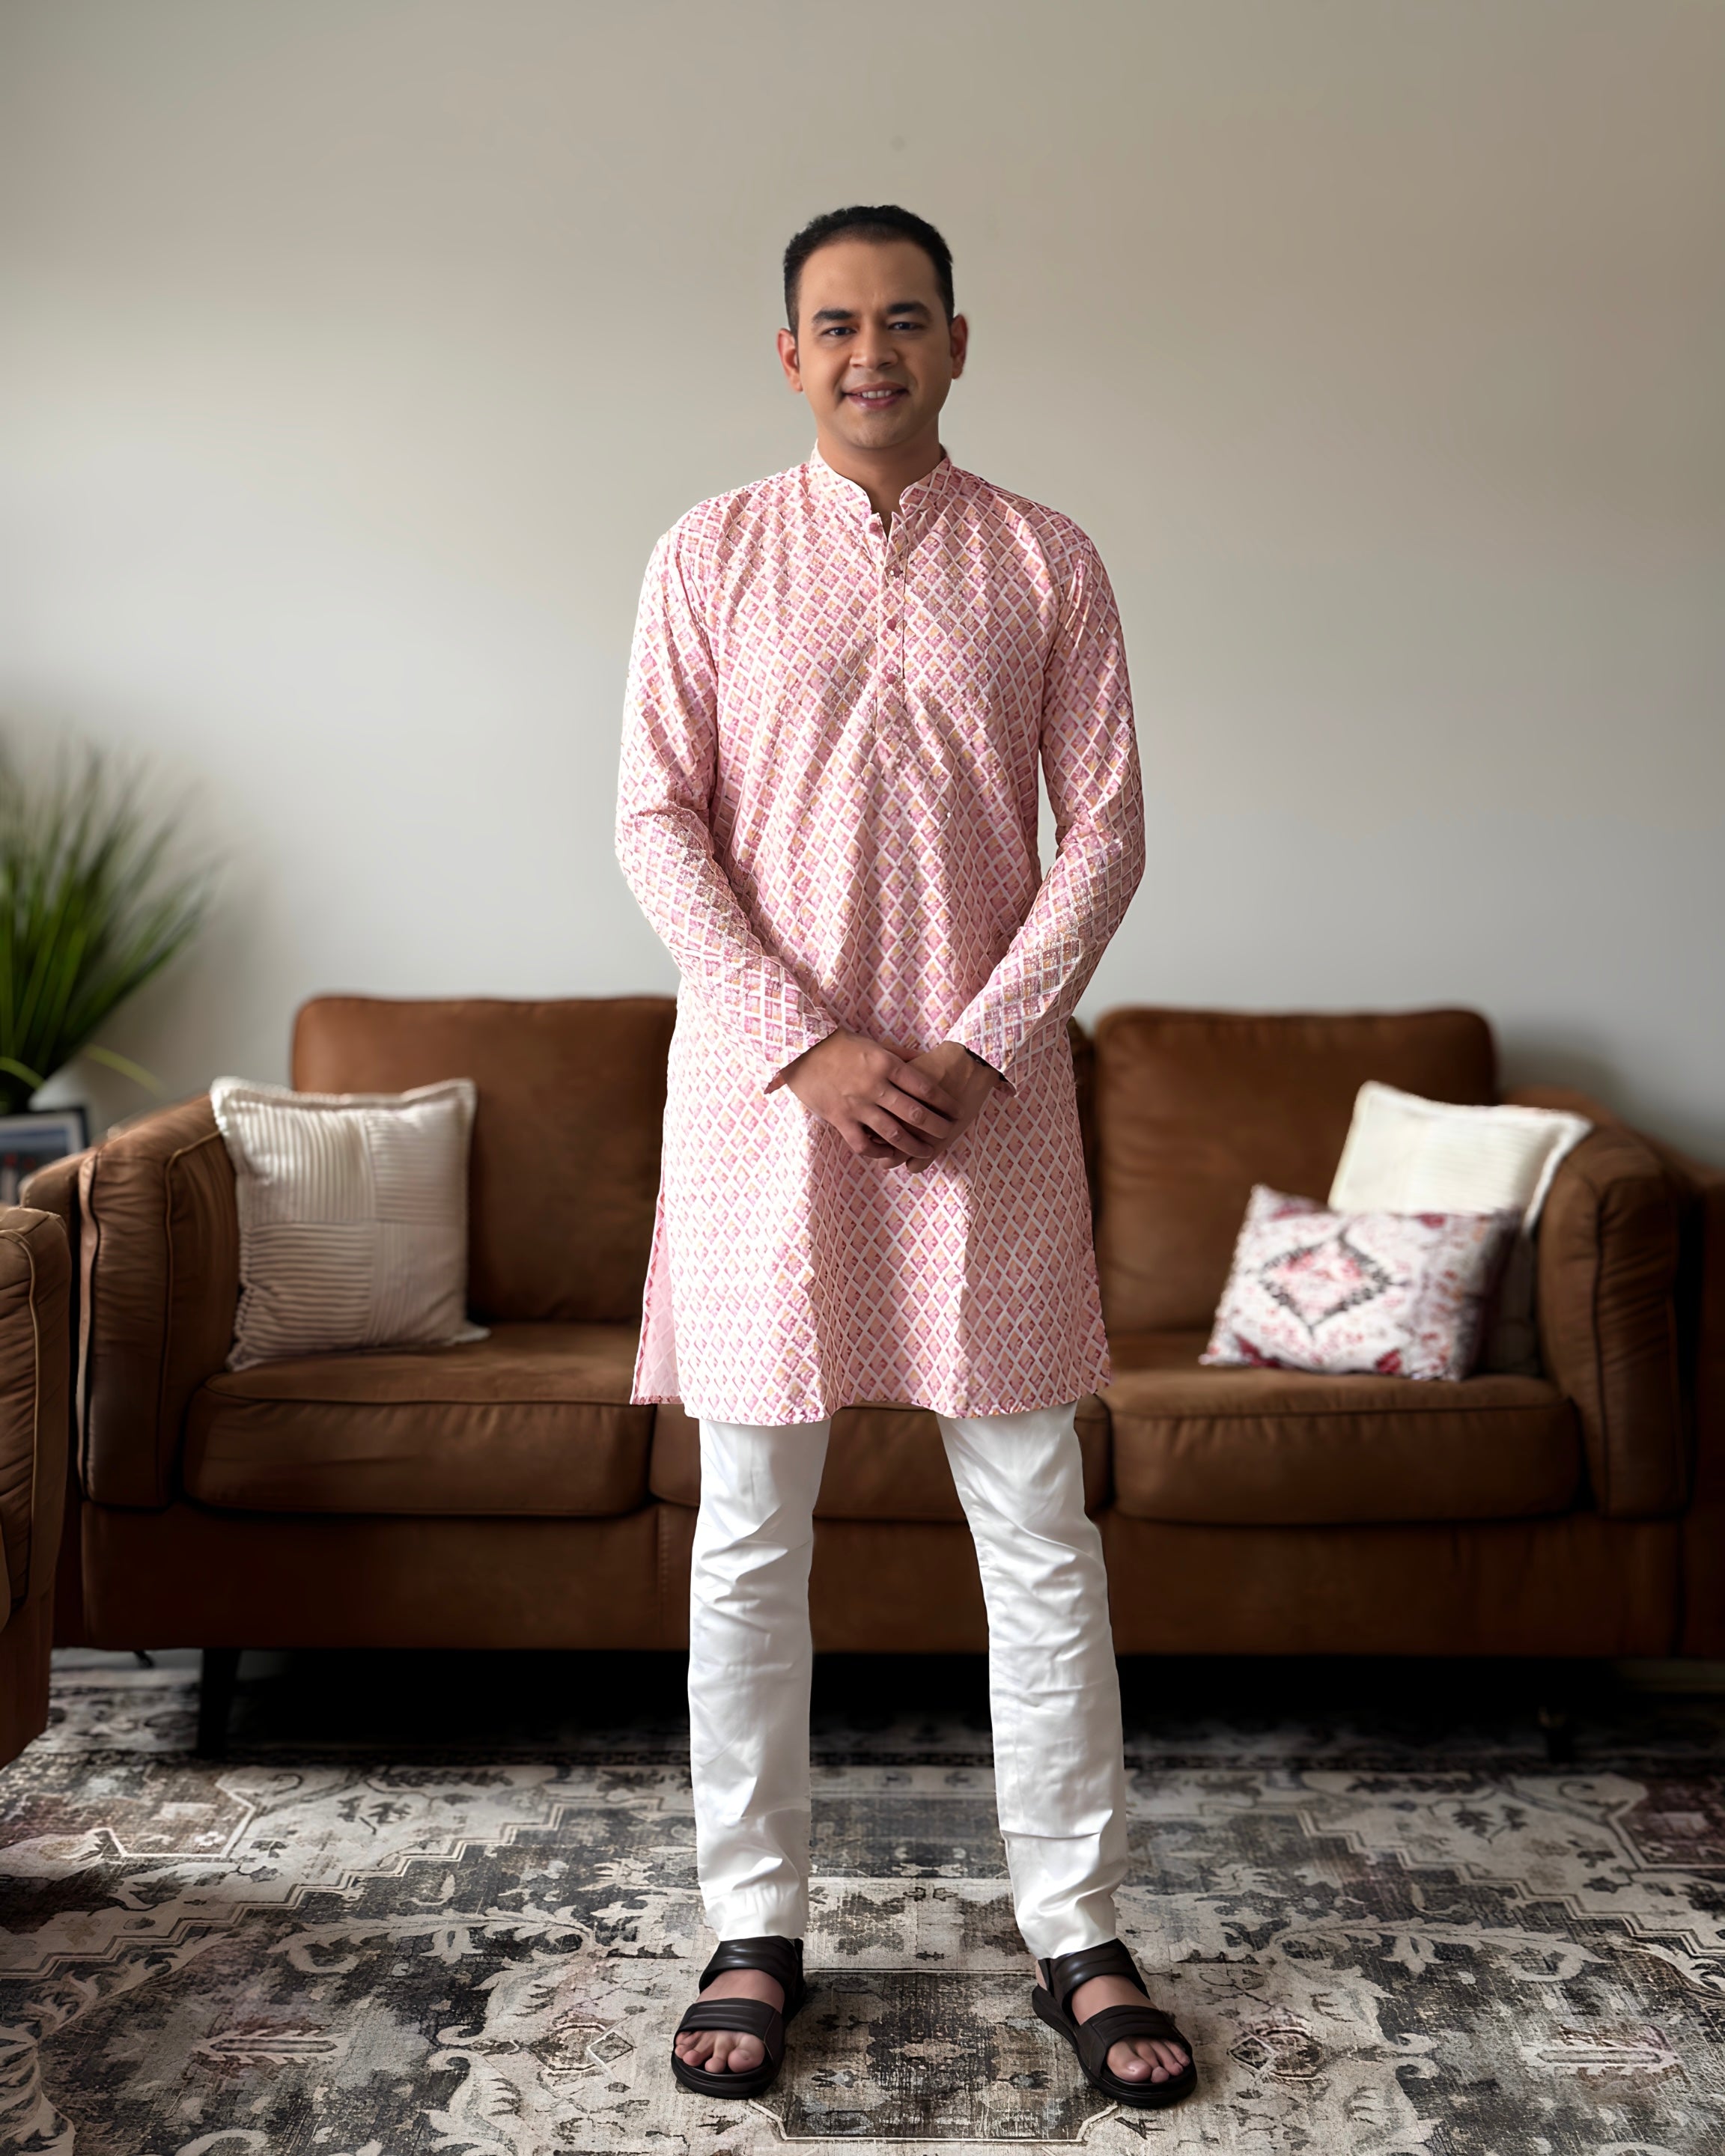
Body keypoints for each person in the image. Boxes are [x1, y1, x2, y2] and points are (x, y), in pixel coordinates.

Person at [614, 203, 1195, 2113]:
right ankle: (753, 1920)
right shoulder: (704, 556)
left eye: (907, 320)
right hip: (766, 1113)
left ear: (960, 343)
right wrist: (810, 1044)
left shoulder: (1050, 559)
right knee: (750, 1536)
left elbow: (1102, 835)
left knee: (1035, 1527)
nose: (872, 350)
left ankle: (1079, 1924)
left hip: (984, 1115)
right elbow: (655, 825)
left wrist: (976, 1047)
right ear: (787, 353)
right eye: (835, 322)